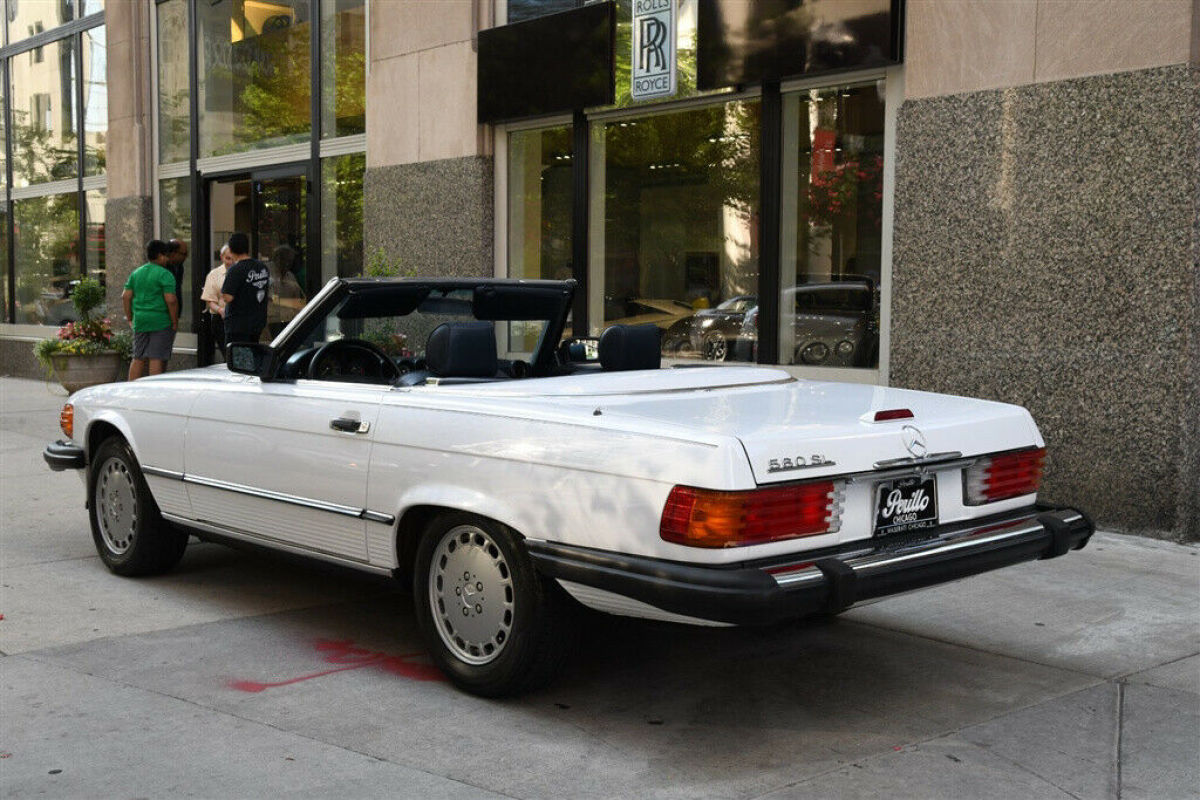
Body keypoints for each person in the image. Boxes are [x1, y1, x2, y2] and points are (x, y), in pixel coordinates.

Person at [122, 239, 179, 380]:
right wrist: (174, 321)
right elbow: (171, 300)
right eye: (166, 256)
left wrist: (130, 318)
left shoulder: (136, 273)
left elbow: (125, 296)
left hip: (140, 321)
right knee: (156, 357)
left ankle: (131, 388)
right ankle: (155, 390)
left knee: (138, 357)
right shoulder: (165, 274)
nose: (167, 259)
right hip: (160, 321)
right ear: (160, 255)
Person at [220, 232, 270, 346]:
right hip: (257, 321)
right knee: (253, 353)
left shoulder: (236, 269)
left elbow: (228, 297)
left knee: (239, 360)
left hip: (238, 325)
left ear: (231, 250)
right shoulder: (262, 267)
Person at [266, 244, 307, 338]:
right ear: (277, 259)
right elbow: (272, 299)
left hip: (289, 321)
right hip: (272, 321)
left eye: (290, 261)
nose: (288, 264)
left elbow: (299, 300)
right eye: (286, 260)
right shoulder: (267, 272)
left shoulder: (290, 276)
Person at [201, 244, 234, 357]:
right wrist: (221, 310)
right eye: (228, 258)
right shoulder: (214, 275)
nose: (231, 262)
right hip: (221, 319)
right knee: (227, 353)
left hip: (239, 318)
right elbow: (210, 301)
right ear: (222, 257)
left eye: (233, 259)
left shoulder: (241, 272)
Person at [165, 238, 189, 303]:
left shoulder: (179, 267)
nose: (186, 256)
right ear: (173, 253)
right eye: (184, 254)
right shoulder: (163, 269)